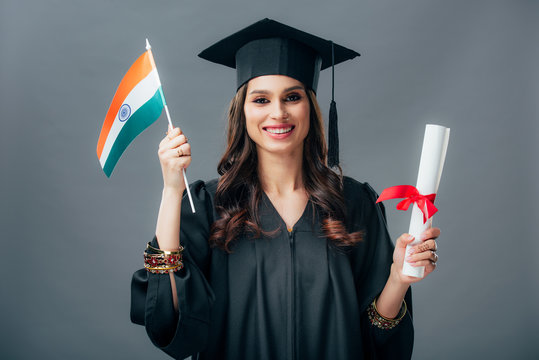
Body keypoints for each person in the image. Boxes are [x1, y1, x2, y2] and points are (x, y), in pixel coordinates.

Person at [131, 19, 440, 360]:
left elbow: (377, 341)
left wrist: (398, 279)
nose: (278, 113)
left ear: (310, 107)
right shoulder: (209, 206)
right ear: (243, 111)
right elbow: (173, 323)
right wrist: (172, 191)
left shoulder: (353, 203)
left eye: (292, 97)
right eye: (261, 100)